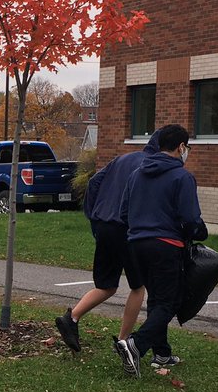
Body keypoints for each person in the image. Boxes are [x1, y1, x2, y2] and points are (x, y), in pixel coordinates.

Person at [55, 130, 162, 372]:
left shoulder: (122, 159)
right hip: (126, 227)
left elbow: (94, 183)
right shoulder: (151, 165)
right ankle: (124, 342)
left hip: (104, 225)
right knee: (138, 286)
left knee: (106, 285)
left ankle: (71, 318)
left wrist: (93, 216)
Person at [117, 124, 207, 377]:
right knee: (170, 301)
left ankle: (162, 353)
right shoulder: (182, 177)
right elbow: (190, 218)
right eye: (186, 147)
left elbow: (124, 213)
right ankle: (136, 344)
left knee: (156, 298)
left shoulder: (137, 174)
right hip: (166, 244)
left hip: (136, 243)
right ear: (181, 147)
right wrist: (197, 231)